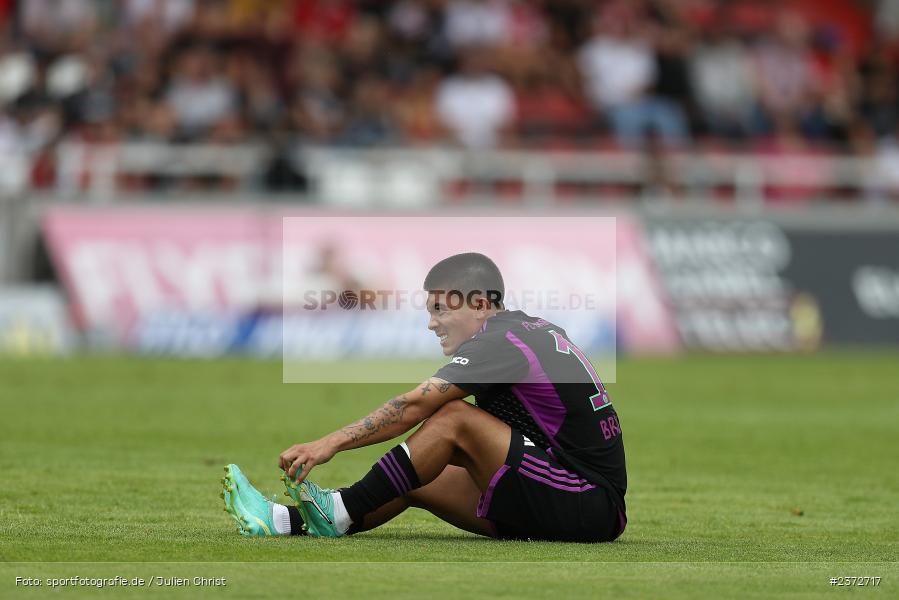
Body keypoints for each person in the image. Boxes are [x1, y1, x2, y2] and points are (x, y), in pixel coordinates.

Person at [222, 252, 627, 542]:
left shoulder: (500, 341)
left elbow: (414, 406)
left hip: (585, 502)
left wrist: (330, 443)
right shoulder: (527, 330)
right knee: (415, 475)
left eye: (441, 310)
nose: (432, 323)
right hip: (575, 498)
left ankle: (339, 512)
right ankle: (283, 522)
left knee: (453, 419)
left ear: (481, 304)